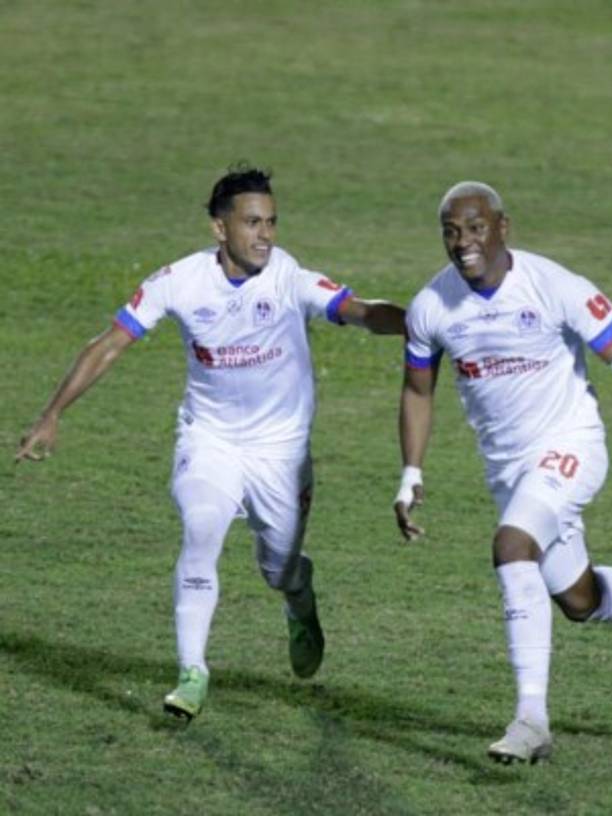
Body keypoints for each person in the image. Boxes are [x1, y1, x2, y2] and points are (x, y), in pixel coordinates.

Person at [15, 166, 406, 721]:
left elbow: (359, 311)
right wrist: (52, 414)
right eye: (252, 223)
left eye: (271, 222)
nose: (265, 234)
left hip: (281, 453)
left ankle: (300, 595)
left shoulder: (288, 276)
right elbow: (110, 343)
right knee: (201, 529)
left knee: (279, 569)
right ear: (219, 229)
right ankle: (192, 671)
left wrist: (415, 323)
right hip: (211, 439)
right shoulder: (178, 281)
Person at [393, 181, 612, 764]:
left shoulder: (556, 286)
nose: (464, 244)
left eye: (476, 228)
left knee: (513, 547)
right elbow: (416, 390)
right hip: (510, 472)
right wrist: (410, 473)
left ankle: (531, 719)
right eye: (452, 232)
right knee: (578, 599)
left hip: (571, 447)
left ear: (503, 226)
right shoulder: (431, 307)